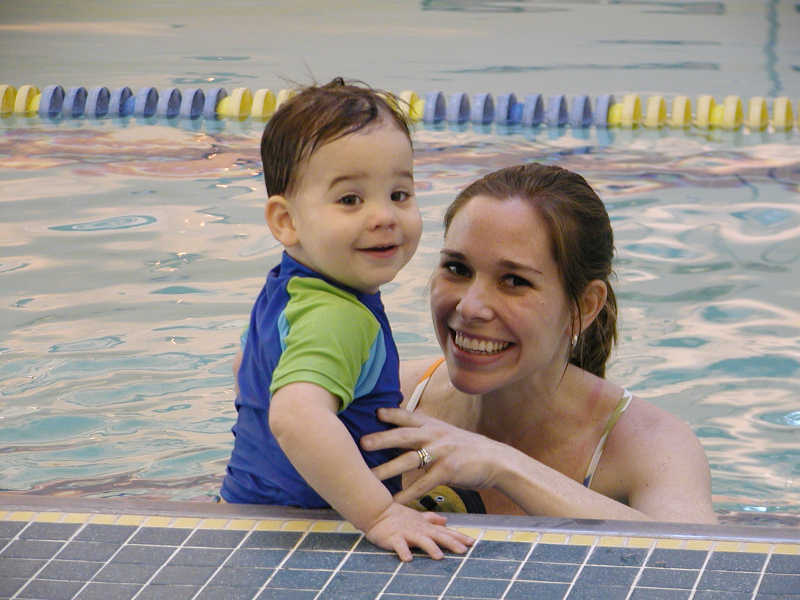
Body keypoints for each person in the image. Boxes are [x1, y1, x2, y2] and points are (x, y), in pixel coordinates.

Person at [362, 163, 718, 524]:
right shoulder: (387, 397)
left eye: (514, 281)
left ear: (585, 305)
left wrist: (503, 465)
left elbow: (699, 558)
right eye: (457, 269)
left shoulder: (650, 445)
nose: (469, 307)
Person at [220, 78, 473, 561]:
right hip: (303, 540)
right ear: (285, 221)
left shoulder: (290, 287)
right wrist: (380, 514)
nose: (384, 216)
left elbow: (244, 366)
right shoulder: (339, 316)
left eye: (400, 194)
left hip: (247, 514)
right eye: (350, 200)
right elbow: (295, 416)